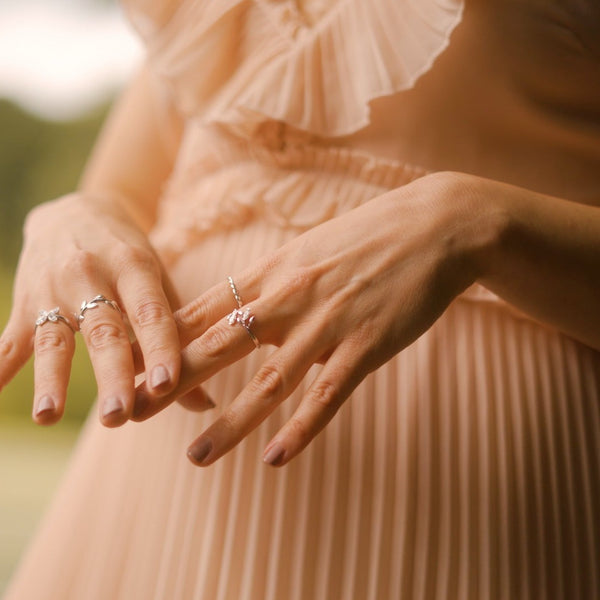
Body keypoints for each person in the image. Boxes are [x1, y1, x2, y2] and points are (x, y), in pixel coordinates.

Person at [2, 0, 600, 597]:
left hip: (484, 486)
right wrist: (69, 218)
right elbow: (125, 189)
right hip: (164, 486)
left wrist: (476, 222)